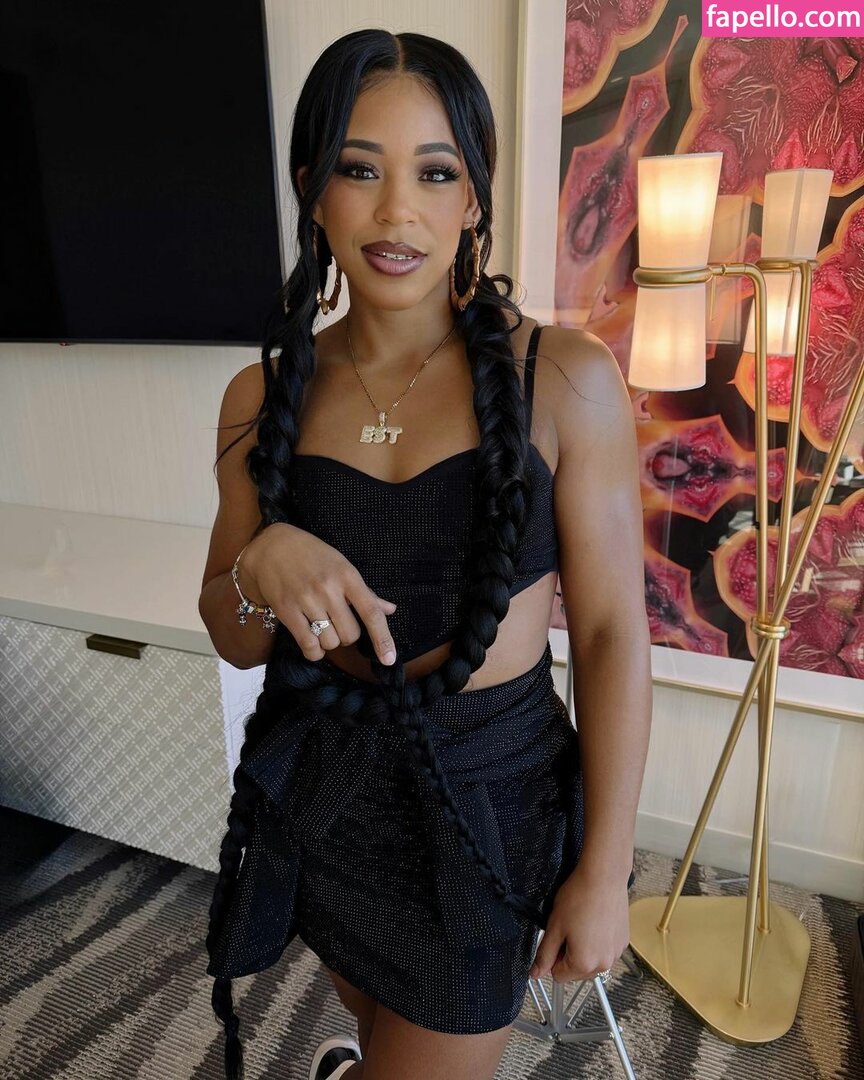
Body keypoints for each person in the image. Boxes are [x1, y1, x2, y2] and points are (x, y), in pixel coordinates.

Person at [197, 28, 652, 1080]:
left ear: (475, 198)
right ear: (312, 190)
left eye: (436, 173)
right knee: (382, 1020)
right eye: (360, 170)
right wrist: (259, 565)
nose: (398, 212)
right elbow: (231, 630)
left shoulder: (565, 380)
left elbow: (610, 633)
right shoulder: (260, 397)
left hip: (486, 808)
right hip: (324, 791)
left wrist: (605, 868)